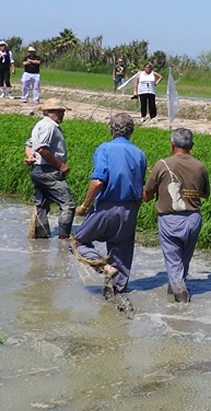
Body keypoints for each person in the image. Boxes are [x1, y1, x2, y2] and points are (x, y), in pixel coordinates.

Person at [71, 113, 147, 311]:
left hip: (107, 205)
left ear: (110, 129)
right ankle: (118, 297)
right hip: (130, 208)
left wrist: (85, 206)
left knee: (77, 243)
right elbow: (141, 187)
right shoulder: (140, 153)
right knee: (121, 251)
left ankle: (105, 267)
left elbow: (98, 181)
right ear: (131, 131)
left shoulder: (105, 148)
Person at [142, 128, 210, 303]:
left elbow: (147, 196)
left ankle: (180, 294)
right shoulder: (200, 166)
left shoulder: (162, 164)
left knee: (173, 260)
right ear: (192, 146)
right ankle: (174, 289)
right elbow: (205, 194)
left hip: (170, 219)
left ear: (172, 145)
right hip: (194, 218)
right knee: (184, 259)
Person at [23, 102, 75, 240]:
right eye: (60, 111)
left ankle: (40, 236)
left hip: (37, 170)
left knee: (41, 204)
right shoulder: (49, 126)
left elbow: (29, 145)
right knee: (68, 204)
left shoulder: (40, 124)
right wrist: (61, 165)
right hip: (48, 171)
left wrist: (30, 156)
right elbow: (42, 149)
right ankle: (64, 239)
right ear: (50, 112)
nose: (63, 114)